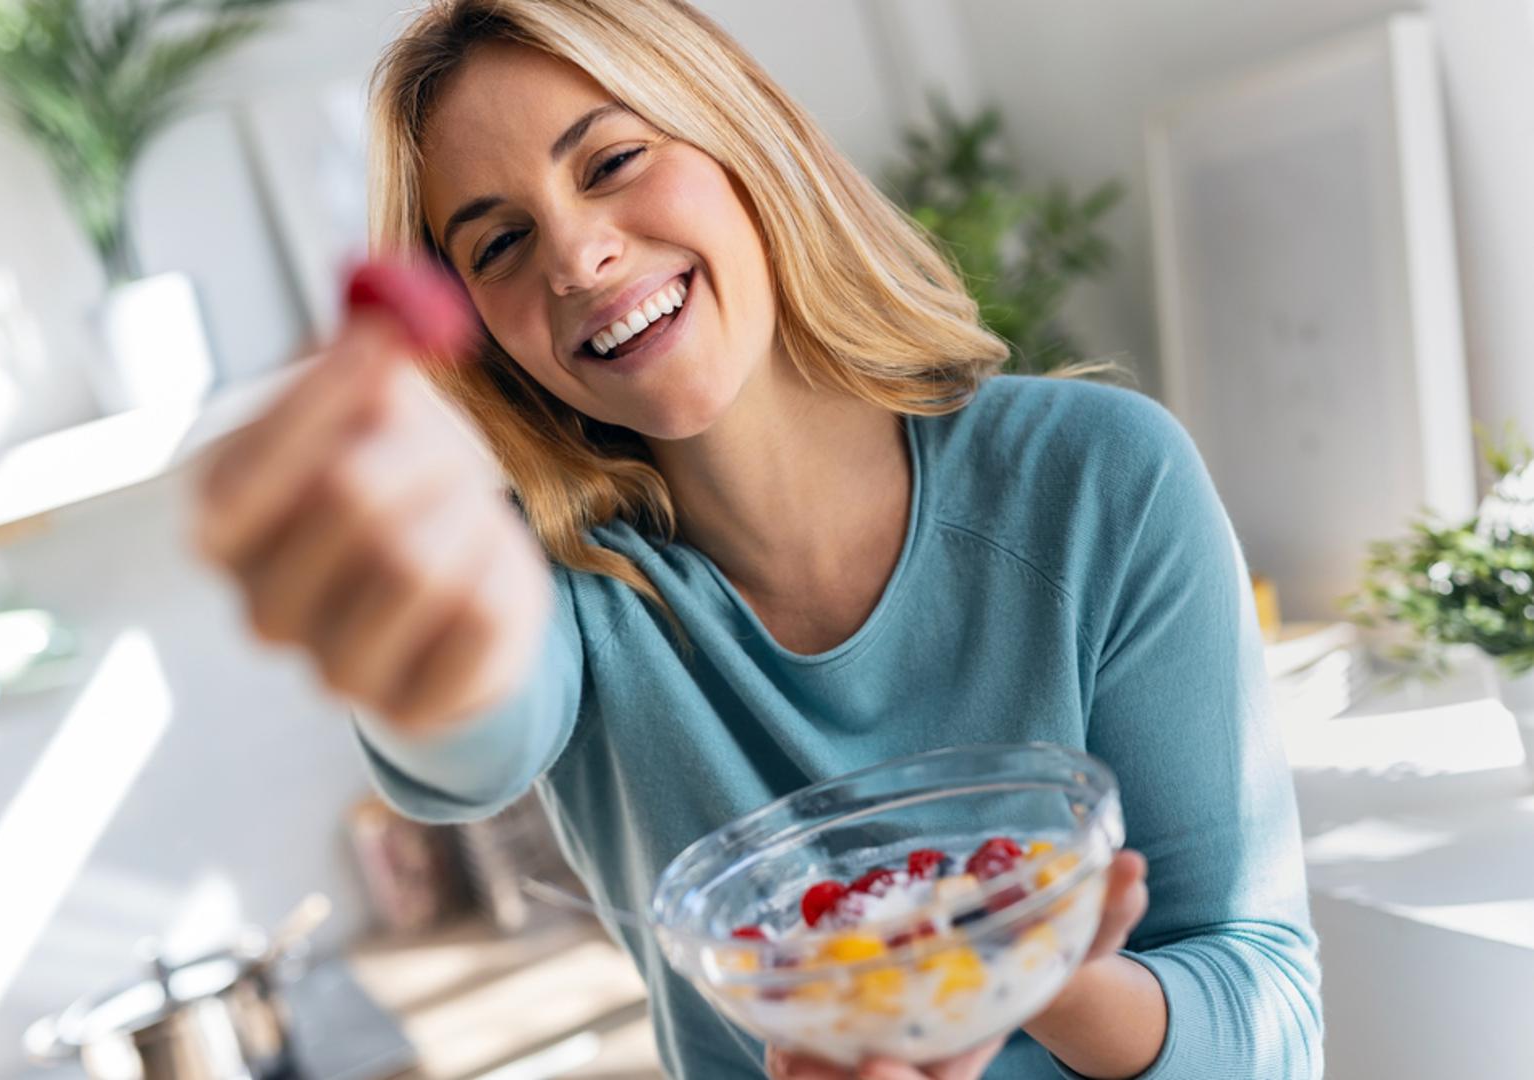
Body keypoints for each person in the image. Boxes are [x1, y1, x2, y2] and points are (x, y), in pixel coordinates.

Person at [194, 1, 1324, 1077]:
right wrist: (434, 638)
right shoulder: (562, 592)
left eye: (611, 161)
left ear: (738, 131)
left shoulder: (1097, 479)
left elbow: (1267, 1022)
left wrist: (1013, 971)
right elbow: (470, 733)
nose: (577, 257)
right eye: (497, 244)